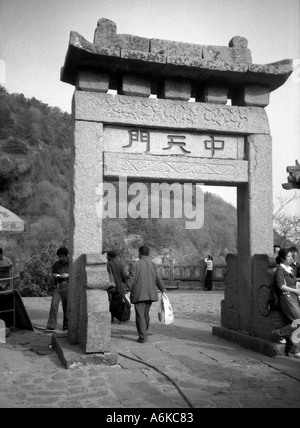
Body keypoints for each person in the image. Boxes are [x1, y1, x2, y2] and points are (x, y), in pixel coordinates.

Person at [126, 246, 165, 343]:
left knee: (140, 315)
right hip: (150, 293)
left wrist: (125, 289)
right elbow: (158, 278)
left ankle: (143, 336)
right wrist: (162, 289)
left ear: (139, 253)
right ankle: (144, 330)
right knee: (145, 313)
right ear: (148, 254)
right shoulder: (153, 265)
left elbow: (131, 279)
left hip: (139, 294)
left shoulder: (135, 265)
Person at [271, 248, 300, 358]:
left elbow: (293, 283)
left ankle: (294, 350)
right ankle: (278, 333)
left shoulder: (290, 269)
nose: (291, 258)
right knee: (298, 321)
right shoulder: (280, 270)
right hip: (286, 298)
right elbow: (280, 286)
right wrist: (294, 291)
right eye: (288, 256)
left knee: (295, 323)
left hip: (294, 297)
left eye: (291, 256)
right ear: (283, 258)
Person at [46, 247, 69, 332]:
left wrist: (68, 275)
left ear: (66, 256)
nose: (61, 258)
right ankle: (51, 325)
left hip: (68, 286)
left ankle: (66, 326)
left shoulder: (71, 264)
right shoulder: (56, 264)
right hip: (58, 286)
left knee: (66, 307)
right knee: (54, 305)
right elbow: (52, 273)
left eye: (63, 256)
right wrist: (56, 276)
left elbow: (75, 275)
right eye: (60, 256)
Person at [106, 250, 128, 323]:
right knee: (117, 302)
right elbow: (124, 276)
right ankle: (117, 316)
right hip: (118, 287)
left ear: (108, 256)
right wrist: (126, 283)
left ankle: (111, 317)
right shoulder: (119, 264)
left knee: (110, 302)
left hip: (110, 287)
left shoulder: (107, 264)